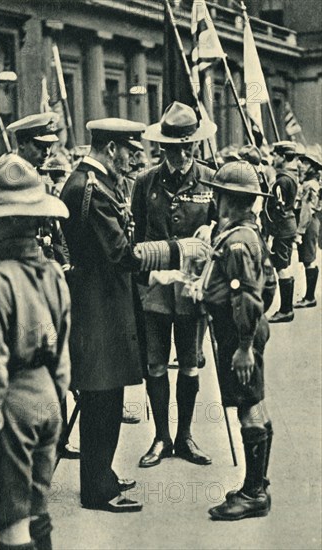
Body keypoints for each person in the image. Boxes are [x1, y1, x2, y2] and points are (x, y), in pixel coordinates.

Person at [60, 117, 208, 512]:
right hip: (98, 308)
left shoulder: (96, 183)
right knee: (100, 398)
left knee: (107, 397)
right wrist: (179, 250)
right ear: (111, 149)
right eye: (129, 150)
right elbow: (121, 253)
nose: (134, 159)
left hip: (107, 303)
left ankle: (102, 474)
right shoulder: (91, 187)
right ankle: (97, 490)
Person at [0, 154, 71, 550]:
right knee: (37, 509)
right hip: (47, 402)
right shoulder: (54, 273)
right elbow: (62, 354)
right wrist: (56, 401)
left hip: (11, 408)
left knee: (12, 524)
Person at [131, 101, 217, 468]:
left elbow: (221, 235)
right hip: (154, 289)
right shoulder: (144, 182)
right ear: (162, 147)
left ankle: (184, 436)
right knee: (154, 365)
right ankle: (161, 438)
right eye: (173, 148)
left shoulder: (211, 180)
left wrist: (211, 234)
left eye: (188, 147)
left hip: (192, 290)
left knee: (190, 365)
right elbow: (132, 236)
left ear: (196, 145)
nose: (181, 155)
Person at [200, 160, 276, 520]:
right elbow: (269, 285)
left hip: (237, 333)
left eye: (217, 194)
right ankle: (257, 480)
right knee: (254, 398)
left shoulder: (237, 243)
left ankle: (253, 493)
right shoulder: (248, 232)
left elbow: (246, 295)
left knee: (248, 404)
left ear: (225, 198)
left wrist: (245, 345)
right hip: (245, 328)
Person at [266, 141, 299, 323]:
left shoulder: (282, 181)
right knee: (283, 265)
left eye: (276, 155)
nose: (273, 158)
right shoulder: (292, 176)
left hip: (282, 227)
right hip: (289, 224)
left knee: (281, 267)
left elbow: (277, 208)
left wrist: (271, 232)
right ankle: (287, 308)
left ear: (283, 157)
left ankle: (286, 310)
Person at [294, 149, 322, 307]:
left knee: (309, 259)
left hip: (308, 223)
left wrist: (300, 231)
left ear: (312, 167)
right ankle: (308, 296)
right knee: (307, 260)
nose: (301, 165)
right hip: (310, 222)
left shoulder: (310, 185)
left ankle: (310, 297)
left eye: (306, 163)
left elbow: (306, 209)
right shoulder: (308, 182)